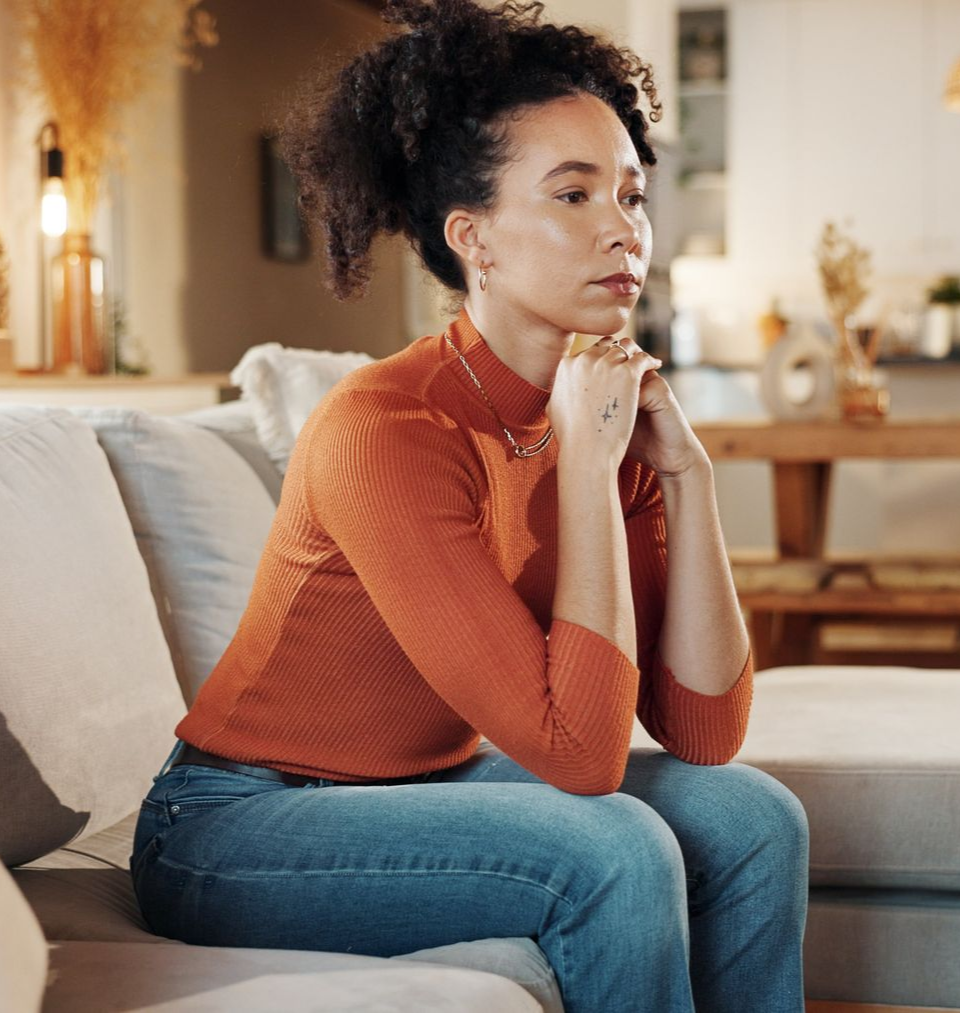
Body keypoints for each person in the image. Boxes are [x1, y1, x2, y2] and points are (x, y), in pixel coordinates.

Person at [129, 1, 809, 1009]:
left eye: (631, 192)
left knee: (753, 817)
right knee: (613, 849)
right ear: (473, 238)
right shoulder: (386, 427)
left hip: (418, 785)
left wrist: (683, 475)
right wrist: (588, 468)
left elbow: (701, 729)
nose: (622, 227)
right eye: (572, 194)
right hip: (233, 824)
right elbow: (580, 755)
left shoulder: (597, 411)